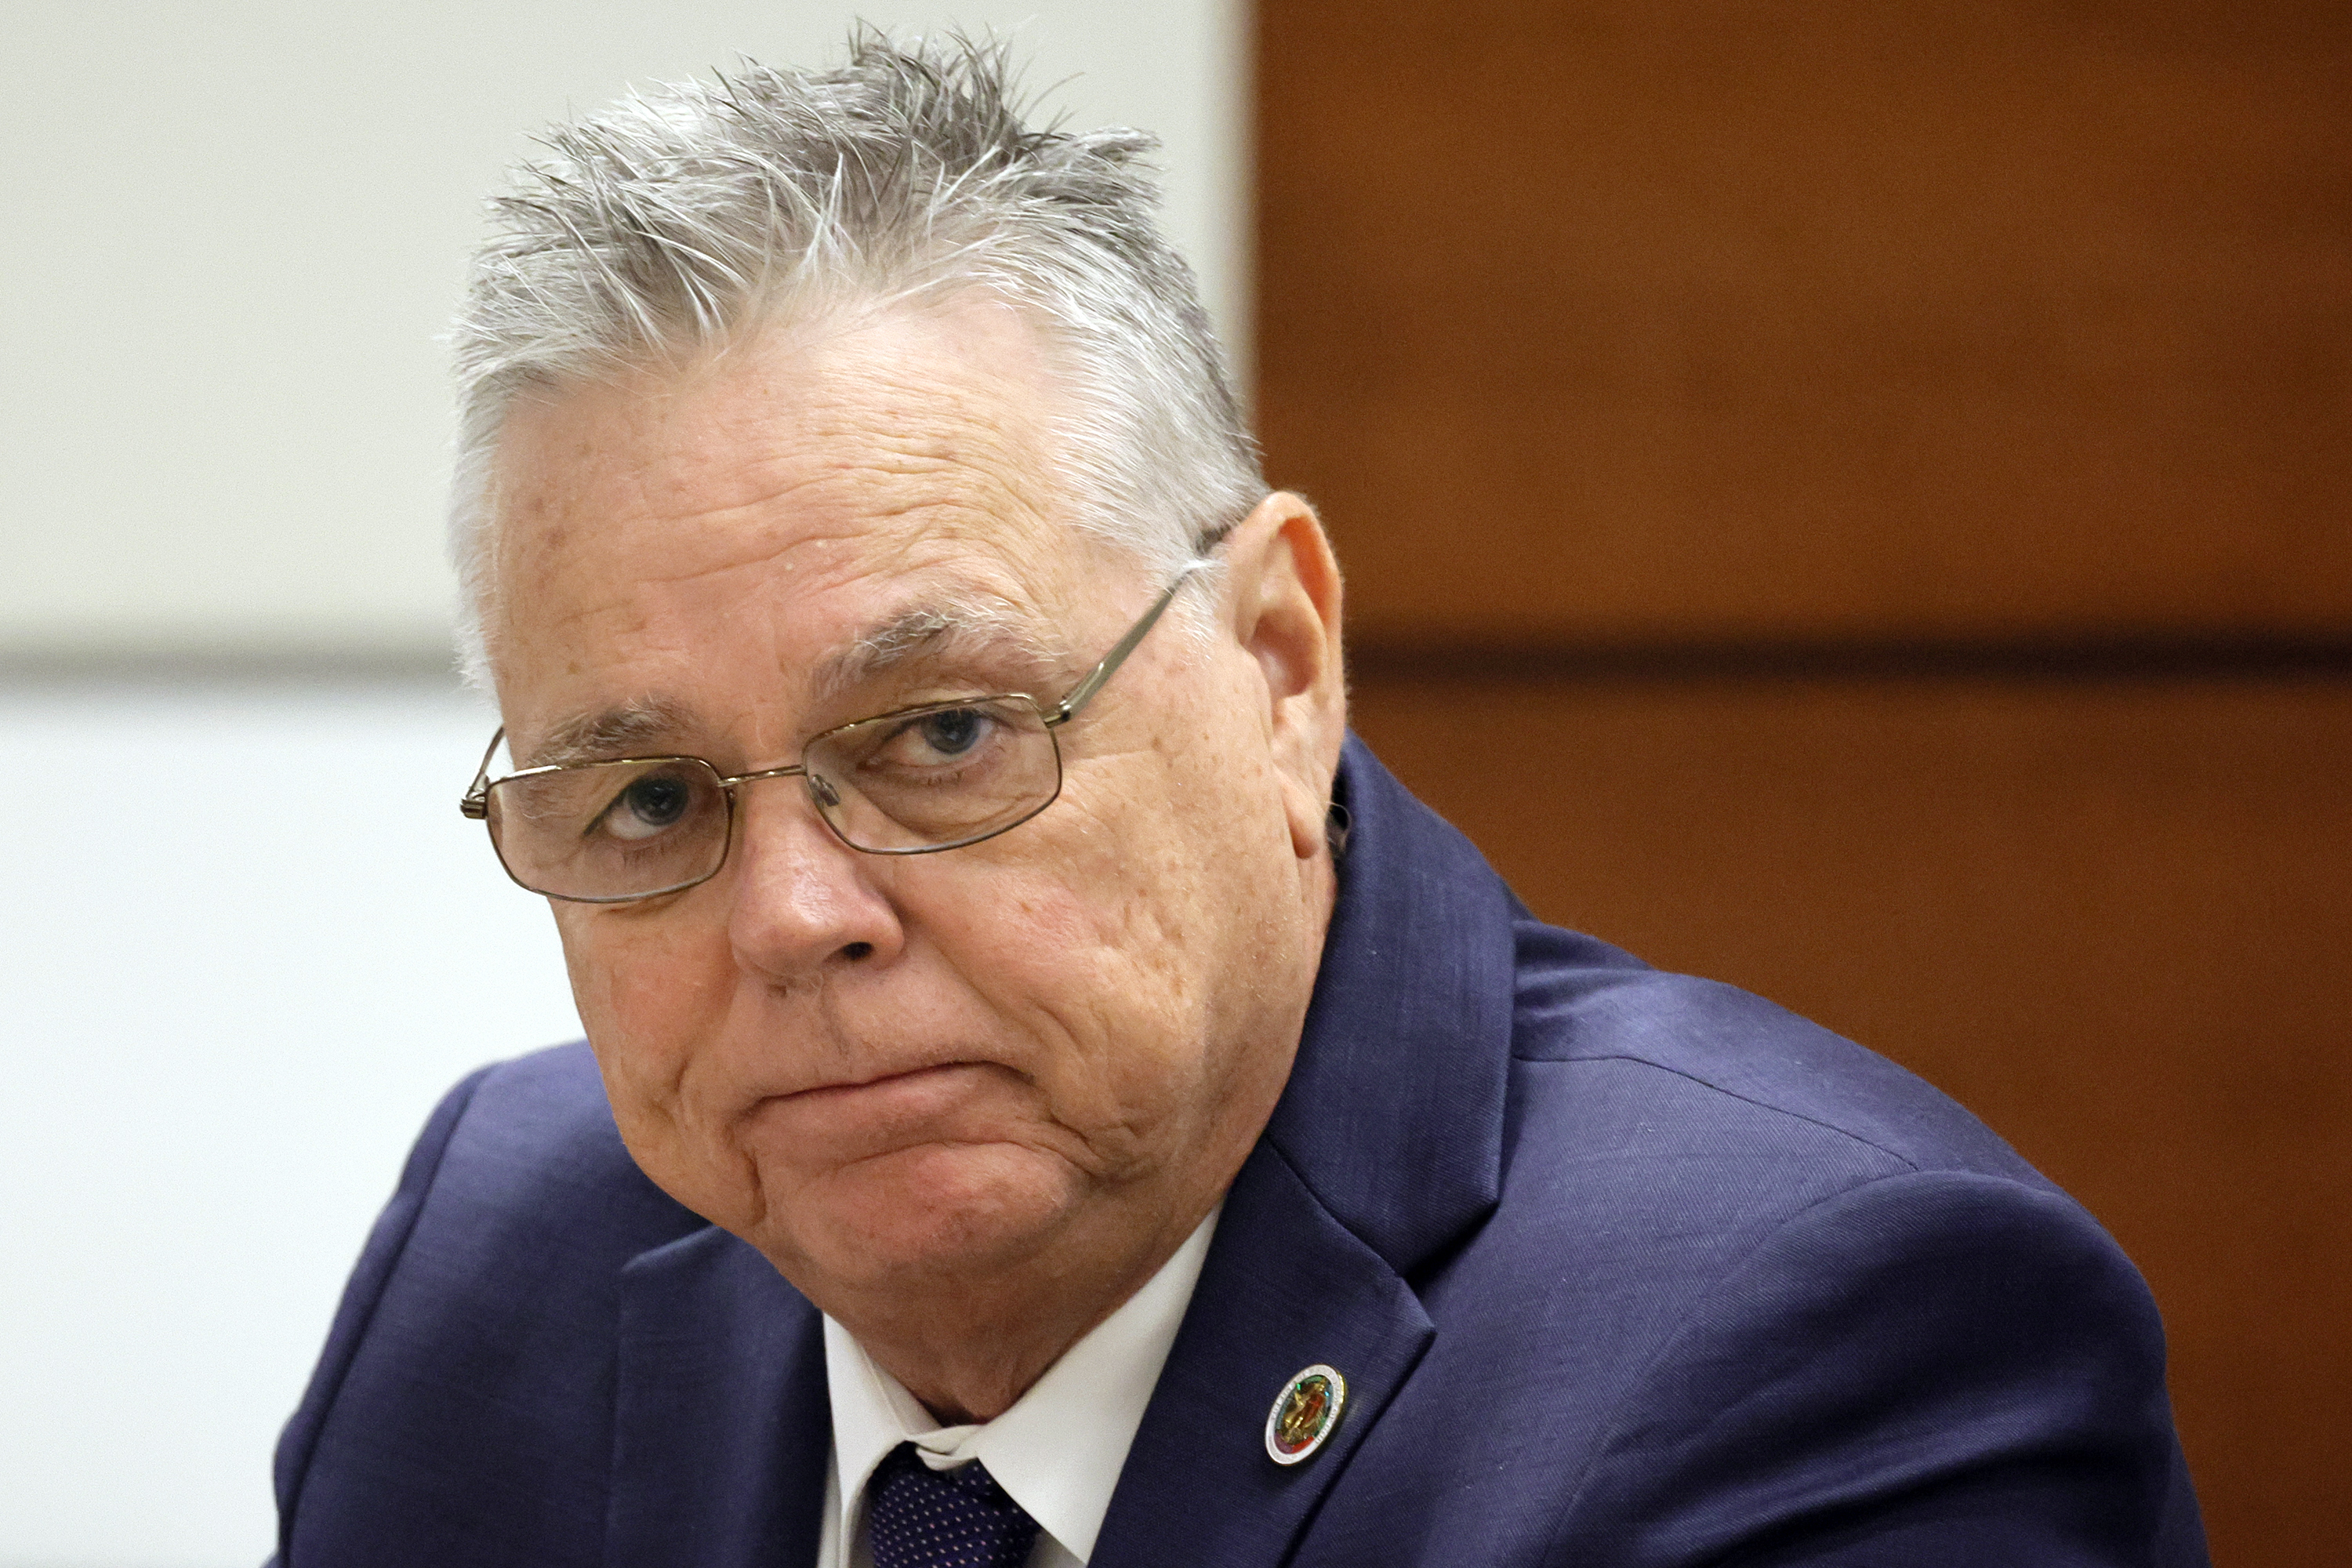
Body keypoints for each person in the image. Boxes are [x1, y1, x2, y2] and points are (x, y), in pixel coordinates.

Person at [272, 34, 2209, 1568]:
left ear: (1280, 664)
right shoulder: (499, 1260)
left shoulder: (1828, 1343)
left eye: (942, 734)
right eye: (650, 799)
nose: (791, 914)